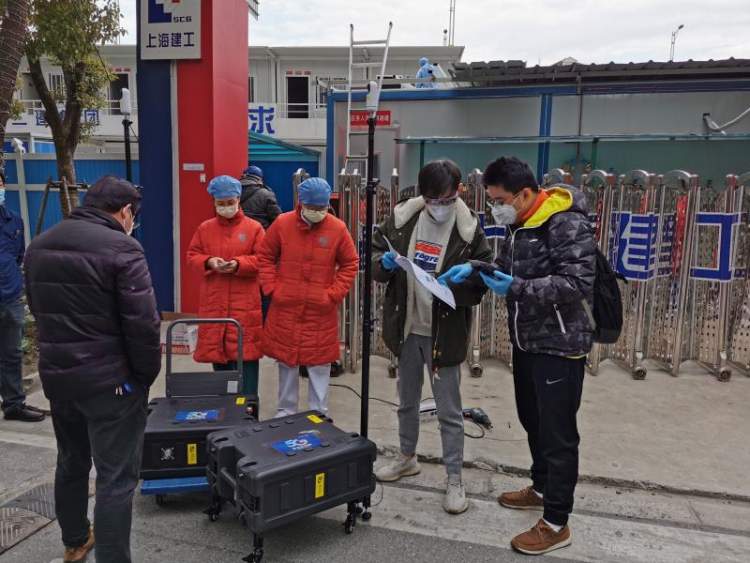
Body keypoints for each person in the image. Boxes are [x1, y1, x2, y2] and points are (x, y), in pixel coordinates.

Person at [441, 156, 596, 555]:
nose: (496, 208)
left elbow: (576, 283)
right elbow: (506, 268)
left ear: (525, 193)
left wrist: (516, 288)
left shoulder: (564, 222)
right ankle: (541, 487)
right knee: (533, 420)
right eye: (492, 200)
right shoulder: (522, 222)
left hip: (560, 345)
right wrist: (475, 269)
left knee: (558, 435)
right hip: (527, 341)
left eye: (500, 200)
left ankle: (557, 522)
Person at [24, 176, 161, 563]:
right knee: (116, 477)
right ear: (125, 212)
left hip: (60, 379)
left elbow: (38, 310)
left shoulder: (40, 244)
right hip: (111, 383)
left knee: (71, 461)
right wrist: (143, 378)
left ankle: (75, 540)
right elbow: (143, 325)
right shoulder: (123, 248)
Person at [371, 160, 492, 515]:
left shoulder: (468, 229)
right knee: (406, 401)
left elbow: (484, 275)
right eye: (433, 200)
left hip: (445, 334)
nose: (440, 206)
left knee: (449, 410)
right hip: (408, 328)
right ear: (422, 195)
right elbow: (375, 255)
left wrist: (465, 278)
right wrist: (384, 264)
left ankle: (454, 478)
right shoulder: (403, 219)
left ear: (458, 192)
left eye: (447, 199)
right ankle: (407, 456)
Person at [258, 177, 358, 417]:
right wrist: (272, 288)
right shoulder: (282, 224)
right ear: (301, 203)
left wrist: (333, 294)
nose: (317, 212)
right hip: (286, 307)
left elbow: (350, 263)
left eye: (321, 208)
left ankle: (318, 413)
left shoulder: (337, 228)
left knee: (319, 363)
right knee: (286, 361)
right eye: (312, 207)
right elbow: (265, 256)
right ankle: (286, 410)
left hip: (320, 309)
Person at [187, 175, 265, 397]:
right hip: (215, 302)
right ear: (214, 202)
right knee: (219, 358)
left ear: (238, 199)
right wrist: (209, 262)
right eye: (221, 203)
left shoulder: (254, 228)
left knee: (246, 359)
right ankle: (224, 409)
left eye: (230, 202)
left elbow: (263, 259)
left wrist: (239, 264)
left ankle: (248, 408)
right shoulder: (205, 229)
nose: (226, 207)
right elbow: (192, 256)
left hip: (244, 305)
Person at [1, 169, 44, 422]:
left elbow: (18, 257)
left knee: (11, 354)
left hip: (9, 297)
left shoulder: (14, 221)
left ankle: (14, 405)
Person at [239, 165, 281, 230]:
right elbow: (277, 217)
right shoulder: (266, 194)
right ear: (259, 179)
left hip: (238, 232)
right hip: (260, 232)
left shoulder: (234, 192)